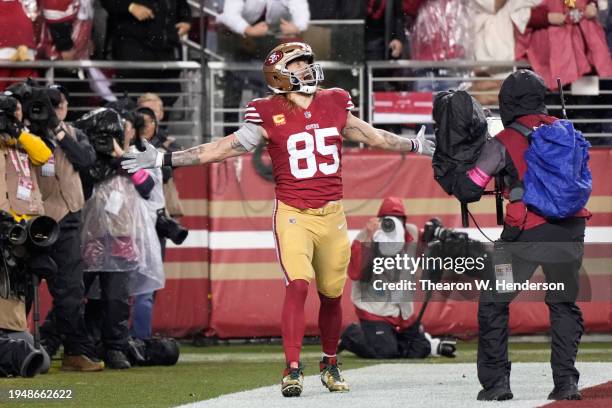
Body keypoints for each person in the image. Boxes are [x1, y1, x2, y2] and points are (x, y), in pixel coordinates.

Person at [122, 41, 435, 397]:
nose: (307, 69)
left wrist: (413, 145)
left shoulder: (334, 100)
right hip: (293, 214)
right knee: (298, 284)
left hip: (332, 213)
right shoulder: (267, 111)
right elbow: (223, 148)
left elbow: (372, 135)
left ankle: (330, 364)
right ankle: (292, 369)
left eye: (307, 63)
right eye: (298, 64)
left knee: (332, 295)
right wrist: (165, 159)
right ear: (280, 75)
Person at [449, 70, 590, 401]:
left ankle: (498, 384)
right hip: (570, 233)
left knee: (494, 303)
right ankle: (566, 383)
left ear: (507, 101)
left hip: (522, 238)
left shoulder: (504, 141)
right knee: (564, 304)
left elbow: (470, 188)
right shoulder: (566, 131)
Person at [30, 85, 103, 371]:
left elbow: (86, 160)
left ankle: (75, 349)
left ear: (64, 108)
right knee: (20, 288)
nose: (49, 112)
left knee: (70, 290)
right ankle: (14, 345)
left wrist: (57, 129)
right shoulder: (25, 134)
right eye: (44, 106)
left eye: (54, 106)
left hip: (68, 218)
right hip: (31, 217)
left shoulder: (74, 133)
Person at [339, 197, 456, 360]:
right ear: (379, 220)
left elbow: (428, 241)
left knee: (419, 349)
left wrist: (435, 231)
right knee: (385, 352)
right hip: (375, 310)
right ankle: (351, 335)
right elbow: (356, 273)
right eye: (388, 219)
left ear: (404, 220)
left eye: (399, 219)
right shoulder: (365, 236)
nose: (393, 224)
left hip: (402, 312)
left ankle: (395, 341)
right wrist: (370, 240)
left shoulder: (412, 233)